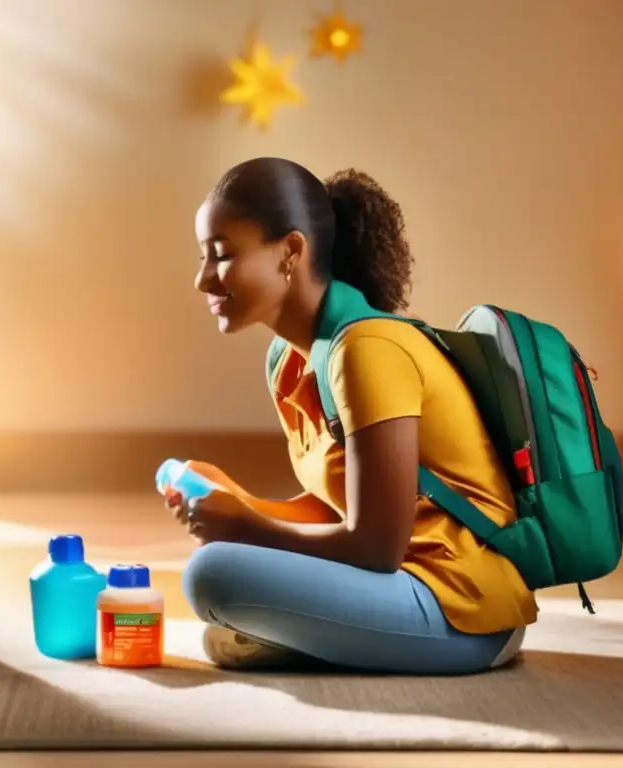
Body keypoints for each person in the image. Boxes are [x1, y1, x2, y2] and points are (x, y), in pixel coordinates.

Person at [169, 157, 534, 675]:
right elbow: (337, 510)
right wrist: (237, 503)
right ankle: (319, 636)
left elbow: (375, 545)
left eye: (221, 256)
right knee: (220, 592)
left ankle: (313, 635)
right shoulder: (290, 358)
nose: (203, 280)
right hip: (400, 584)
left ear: (291, 251)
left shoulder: (367, 349)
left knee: (211, 576)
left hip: (462, 608)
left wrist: (245, 527)